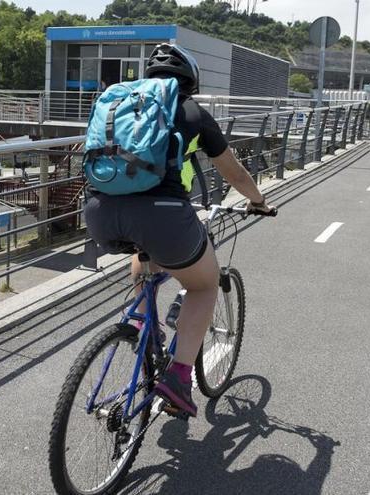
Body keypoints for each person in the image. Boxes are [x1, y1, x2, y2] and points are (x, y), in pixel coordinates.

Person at [84, 43, 275, 418]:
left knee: (144, 256)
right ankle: (178, 378)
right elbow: (233, 172)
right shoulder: (191, 112)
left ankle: (147, 330)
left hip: (99, 211)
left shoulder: (122, 105)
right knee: (203, 284)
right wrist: (258, 201)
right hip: (163, 215)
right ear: (191, 81)